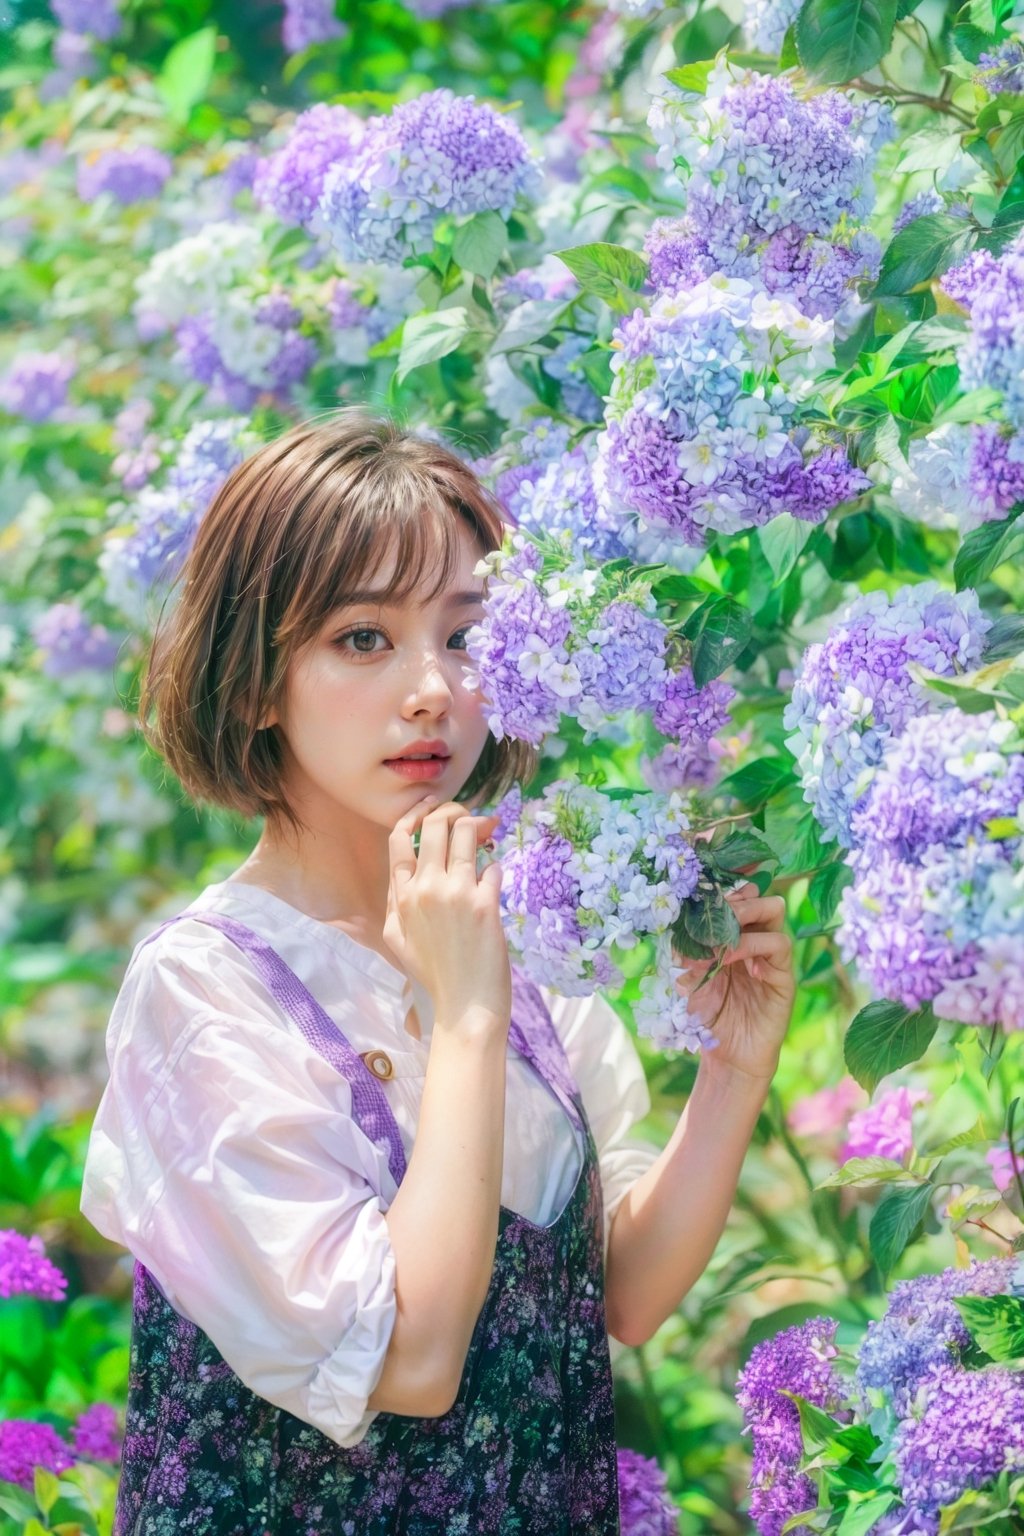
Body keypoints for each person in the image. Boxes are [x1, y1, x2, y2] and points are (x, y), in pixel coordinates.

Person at [80, 407, 795, 1534]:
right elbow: (408, 1360)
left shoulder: (513, 937)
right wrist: (465, 1016)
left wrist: (734, 1063)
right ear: (257, 680)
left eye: (465, 638)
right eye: (362, 638)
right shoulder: (206, 992)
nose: (431, 690)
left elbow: (625, 1290)